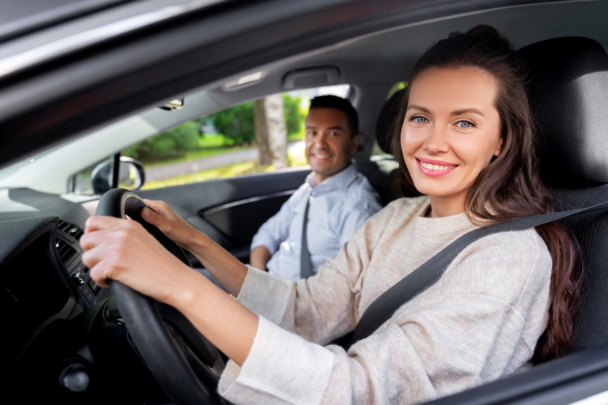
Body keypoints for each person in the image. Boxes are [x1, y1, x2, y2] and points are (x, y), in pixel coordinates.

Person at [81, 25, 582, 404]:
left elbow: (362, 392)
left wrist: (180, 286)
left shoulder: (509, 257)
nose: (433, 141)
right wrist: (193, 245)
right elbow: (307, 310)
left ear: (501, 141)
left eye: (465, 122)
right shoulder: (400, 215)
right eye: (420, 117)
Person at [249, 95, 382, 280]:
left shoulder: (358, 206)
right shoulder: (309, 188)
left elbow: (349, 286)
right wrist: (257, 280)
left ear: (353, 144)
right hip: (264, 287)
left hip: (292, 304)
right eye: (312, 133)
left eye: (333, 134)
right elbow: (268, 234)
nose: (319, 144)